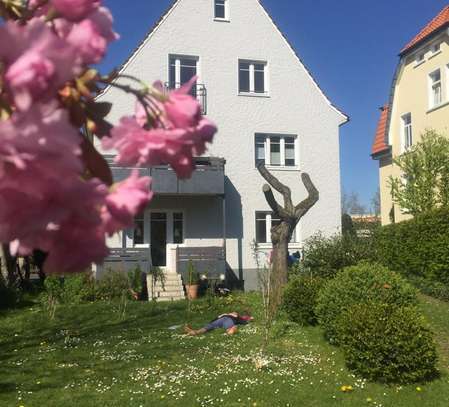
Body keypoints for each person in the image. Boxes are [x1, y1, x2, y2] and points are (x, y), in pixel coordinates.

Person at [184, 311, 253, 336]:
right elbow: (243, 321)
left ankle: (196, 332)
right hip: (223, 320)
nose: (234, 312)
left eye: (235, 312)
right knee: (208, 327)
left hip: (223, 320)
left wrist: (247, 320)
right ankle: (195, 332)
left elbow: (242, 320)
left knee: (209, 326)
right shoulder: (231, 315)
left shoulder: (234, 316)